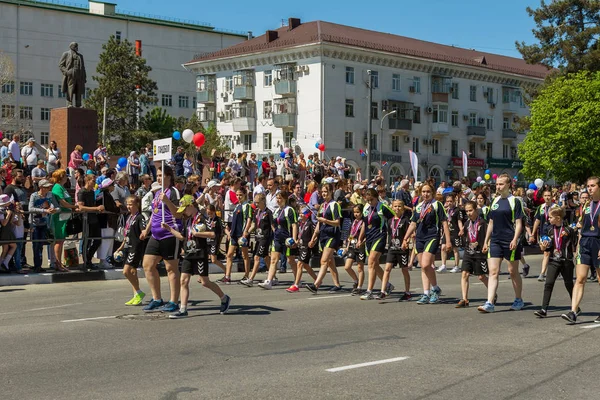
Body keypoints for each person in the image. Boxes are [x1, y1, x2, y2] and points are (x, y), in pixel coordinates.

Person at [163, 195, 231, 319]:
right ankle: (183, 309)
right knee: (183, 280)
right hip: (189, 253)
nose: (183, 212)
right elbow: (183, 236)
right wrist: (169, 229)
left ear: (191, 206)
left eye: (184, 209)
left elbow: (212, 234)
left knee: (205, 282)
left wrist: (197, 233)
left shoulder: (203, 218)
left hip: (200, 253)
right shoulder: (186, 220)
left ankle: (224, 298)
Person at [479, 174, 525, 313]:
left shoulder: (515, 201)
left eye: (501, 184)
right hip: (496, 241)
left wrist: (515, 239)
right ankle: (489, 303)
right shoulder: (495, 200)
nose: (498, 187)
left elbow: (518, 223)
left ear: (509, 185)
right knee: (493, 272)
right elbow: (491, 222)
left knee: (512, 272)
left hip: (509, 240)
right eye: (497, 184)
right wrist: (486, 240)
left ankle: (518, 299)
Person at [140, 165, 182, 313]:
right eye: (157, 175)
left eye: (160, 175)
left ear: (168, 176)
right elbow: (154, 213)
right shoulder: (158, 193)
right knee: (148, 265)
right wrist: (147, 229)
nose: (158, 178)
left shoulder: (173, 192)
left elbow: (178, 214)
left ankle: (174, 301)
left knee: (171, 268)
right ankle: (157, 298)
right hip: (156, 235)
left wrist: (168, 201)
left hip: (169, 234)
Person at [401, 183, 450, 304]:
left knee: (426, 264)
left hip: (432, 236)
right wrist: (405, 238)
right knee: (423, 266)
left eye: (428, 192)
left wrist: (448, 241)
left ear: (432, 193)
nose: (425, 194)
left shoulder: (437, 205)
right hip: (420, 237)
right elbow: (413, 224)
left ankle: (435, 288)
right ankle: (426, 293)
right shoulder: (418, 206)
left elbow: (444, 223)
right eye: (423, 192)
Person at [562, 176, 600, 324]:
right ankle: (573, 311)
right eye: (588, 186)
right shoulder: (586, 205)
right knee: (580, 278)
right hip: (585, 241)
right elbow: (580, 225)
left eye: (592, 186)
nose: (589, 188)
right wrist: (577, 245)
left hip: (598, 241)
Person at [534, 207, 577, 318]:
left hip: (566, 261)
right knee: (548, 284)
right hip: (554, 261)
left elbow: (574, 245)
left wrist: (575, 258)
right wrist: (543, 247)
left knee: (569, 285)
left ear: (558, 218)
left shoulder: (569, 230)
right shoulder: (549, 229)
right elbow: (547, 248)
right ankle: (543, 309)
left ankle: (575, 308)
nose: (548, 219)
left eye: (551, 217)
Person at [305, 183, 343, 293]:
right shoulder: (322, 205)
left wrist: (325, 221)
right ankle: (337, 284)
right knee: (330, 261)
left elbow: (337, 222)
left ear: (331, 192)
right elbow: (318, 224)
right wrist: (313, 238)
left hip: (332, 235)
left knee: (324, 260)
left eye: (326, 191)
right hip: (323, 235)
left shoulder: (334, 205)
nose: (324, 193)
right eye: (323, 191)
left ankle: (316, 285)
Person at [258, 191, 298, 289]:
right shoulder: (276, 211)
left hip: (287, 239)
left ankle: (298, 279)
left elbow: (294, 224)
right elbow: (273, 223)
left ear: (285, 199)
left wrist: (294, 238)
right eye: (277, 198)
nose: (278, 200)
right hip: (277, 238)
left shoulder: (289, 210)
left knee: (290, 260)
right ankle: (269, 281)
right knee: (273, 260)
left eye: (280, 198)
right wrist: (275, 231)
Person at [112, 195, 147, 306]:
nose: (128, 206)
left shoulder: (139, 217)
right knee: (133, 272)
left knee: (126, 271)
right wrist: (121, 246)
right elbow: (127, 234)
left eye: (131, 204)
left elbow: (144, 230)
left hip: (135, 247)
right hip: (128, 246)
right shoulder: (129, 217)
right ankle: (136, 296)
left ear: (137, 205)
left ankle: (139, 292)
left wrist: (143, 234)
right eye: (127, 204)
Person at [456, 201, 490, 308]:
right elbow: (467, 234)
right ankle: (464, 299)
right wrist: (462, 232)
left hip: (480, 252)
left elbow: (488, 236)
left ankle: (492, 293)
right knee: (464, 274)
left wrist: (486, 245)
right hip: (468, 252)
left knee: (481, 276)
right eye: (466, 211)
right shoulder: (467, 223)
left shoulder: (482, 223)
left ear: (476, 210)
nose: (469, 213)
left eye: (470, 210)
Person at [377, 200, 411, 301]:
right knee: (387, 268)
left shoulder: (405, 220)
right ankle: (383, 291)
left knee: (404, 270)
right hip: (392, 248)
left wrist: (407, 241)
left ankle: (407, 292)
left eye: (399, 206)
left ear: (403, 208)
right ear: (392, 208)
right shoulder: (390, 221)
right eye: (395, 206)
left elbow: (410, 234)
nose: (397, 208)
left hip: (402, 249)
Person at [50, 169, 78, 272]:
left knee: (61, 240)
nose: (67, 177)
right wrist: (73, 206)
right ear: (61, 177)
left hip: (65, 216)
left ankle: (59, 262)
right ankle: (58, 263)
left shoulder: (62, 187)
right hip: (60, 217)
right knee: (59, 240)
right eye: (65, 176)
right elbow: (63, 203)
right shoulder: (57, 187)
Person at [243, 193, 274, 286]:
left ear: (263, 201)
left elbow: (272, 226)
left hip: (265, 237)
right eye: (255, 202)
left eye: (257, 202)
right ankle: (273, 276)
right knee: (265, 257)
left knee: (257, 257)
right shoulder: (256, 212)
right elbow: (253, 224)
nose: (256, 204)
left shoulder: (268, 212)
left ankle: (251, 279)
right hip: (257, 237)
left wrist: (276, 236)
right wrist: (247, 232)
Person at [224, 187, 253, 282]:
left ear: (245, 195)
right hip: (234, 234)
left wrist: (245, 231)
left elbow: (249, 219)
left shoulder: (247, 206)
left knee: (245, 255)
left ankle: (246, 275)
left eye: (240, 195)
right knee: (229, 254)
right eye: (237, 195)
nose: (238, 197)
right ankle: (227, 276)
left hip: (242, 234)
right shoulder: (237, 206)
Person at [286, 206, 318, 292]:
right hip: (300, 246)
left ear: (307, 214)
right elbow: (299, 235)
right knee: (306, 266)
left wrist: (313, 242)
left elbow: (316, 235)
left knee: (299, 264)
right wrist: (296, 242)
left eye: (303, 213)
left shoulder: (310, 224)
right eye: (300, 213)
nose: (300, 214)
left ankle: (296, 285)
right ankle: (317, 280)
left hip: (306, 248)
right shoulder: (300, 223)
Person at [29, 179, 58, 273]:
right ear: (41, 187)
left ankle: (39, 265)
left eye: (49, 187)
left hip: (46, 223)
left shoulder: (50, 195)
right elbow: (30, 208)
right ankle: (37, 265)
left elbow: (57, 206)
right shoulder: (34, 195)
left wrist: (53, 209)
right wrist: (44, 211)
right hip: (35, 223)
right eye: (46, 187)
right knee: (36, 245)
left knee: (41, 244)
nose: (48, 188)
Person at [530, 189, 560, 282]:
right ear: (543, 197)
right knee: (546, 252)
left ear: (552, 197)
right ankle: (542, 273)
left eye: (549, 195)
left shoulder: (556, 207)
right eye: (545, 195)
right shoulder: (541, 208)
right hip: (544, 233)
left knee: (556, 252)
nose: (547, 197)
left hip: (554, 232)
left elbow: (560, 220)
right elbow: (537, 220)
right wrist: (532, 234)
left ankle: (557, 270)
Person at [77, 175, 105, 270]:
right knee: (87, 240)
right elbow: (81, 207)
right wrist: (96, 208)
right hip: (86, 219)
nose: (94, 183)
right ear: (87, 181)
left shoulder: (92, 192)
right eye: (93, 181)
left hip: (94, 218)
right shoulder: (82, 192)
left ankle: (89, 258)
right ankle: (86, 261)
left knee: (97, 240)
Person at [342, 204, 367, 295]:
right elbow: (351, 235)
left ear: (361, 212)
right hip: (352, 246)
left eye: (358, 212)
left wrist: (362, 242)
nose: (356, 214)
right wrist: (347, 246)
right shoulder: (353, 222)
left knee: (360, 268)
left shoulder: (364, 222)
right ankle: (356, 281)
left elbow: (367, 235)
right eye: (355, 212)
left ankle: (359, 287)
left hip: (360, 247)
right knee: (347, 266)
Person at [437, 193, 464, 274]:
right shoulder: (446, 210)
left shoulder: (457, 210)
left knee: (455, 249)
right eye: (447, 201)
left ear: (454, 201)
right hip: (447, 232)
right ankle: (443, 265)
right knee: (443, 247)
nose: (449, 203)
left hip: (455, 232)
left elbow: (459, 221)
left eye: (451, 201)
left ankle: (456, 266)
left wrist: (461, 229)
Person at [0, 194, 17, 272]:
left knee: (6, 248)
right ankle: (5, 263)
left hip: (6, 230)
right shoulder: (1, 211)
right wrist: (9, 214)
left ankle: (2, 264)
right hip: (4, 231)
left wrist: (12, 214)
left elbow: (10, 222)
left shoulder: (5, 209)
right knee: (14, 245)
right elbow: (3, 223)